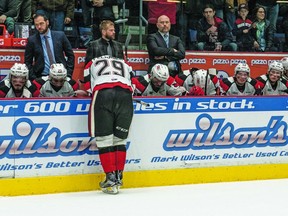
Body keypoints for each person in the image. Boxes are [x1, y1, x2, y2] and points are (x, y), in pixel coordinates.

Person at [83, 55, 134, 194]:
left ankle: (110, 177)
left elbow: (88, 84)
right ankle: (119, 176)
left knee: (104, 139)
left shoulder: (92, 62)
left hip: (104, 92)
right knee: (120, 139)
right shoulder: (124, 62)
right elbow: (133, 81)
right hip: (126, 94)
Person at [25, 13, 75, 80]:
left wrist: (68, 74)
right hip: (41, 76)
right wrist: (34, 79)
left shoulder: (60, 36)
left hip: (61, 75)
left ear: (47, 22)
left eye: (41, 23)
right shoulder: (32, 40)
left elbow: (70, 56)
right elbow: (28, 62)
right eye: (36, 25)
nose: (39, 27)